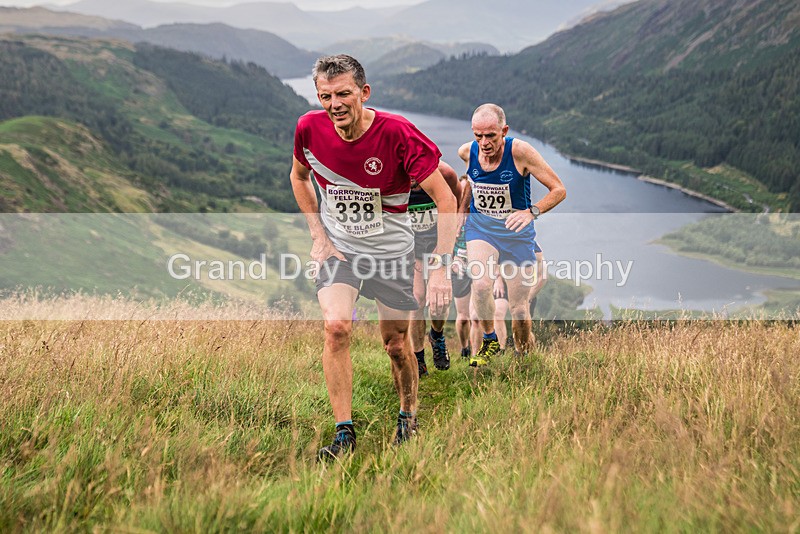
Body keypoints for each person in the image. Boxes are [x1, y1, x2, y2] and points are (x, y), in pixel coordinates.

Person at [290, 54, 457, 461]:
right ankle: (344, 434)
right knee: (335, 328)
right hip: (341, 251)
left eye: (344, 93)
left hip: (392, 255)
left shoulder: (398, 133)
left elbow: (447, 198)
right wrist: (318, 236)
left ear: (364, 93)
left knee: (397, 345)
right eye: (326, 96)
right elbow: (298, 176)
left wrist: (439, 268)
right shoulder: (309, 128)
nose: (335, 104)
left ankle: (408, 415)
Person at [458, 103, 566, 366]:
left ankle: (525, 358)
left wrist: (532, 212)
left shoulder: (520, 152)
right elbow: (472, 182)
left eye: (491, 136)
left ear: (504, 131)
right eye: (478, 135)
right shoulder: (466, 152)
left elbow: (559, 190)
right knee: (481, 285)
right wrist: (462, 210)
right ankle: (490, 339)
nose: (484, 142)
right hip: (481, 228)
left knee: (518, 309)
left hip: (517, 234)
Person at [409, 160, 461, 376]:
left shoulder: (445, 173)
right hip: (409, 243)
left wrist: (446, 246)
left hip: (438, 240)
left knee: (439, 303)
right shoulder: (388, 174)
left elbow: (457, 204)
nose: (410, 179)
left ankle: (437, 335)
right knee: (416, 299)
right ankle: (418, 357)